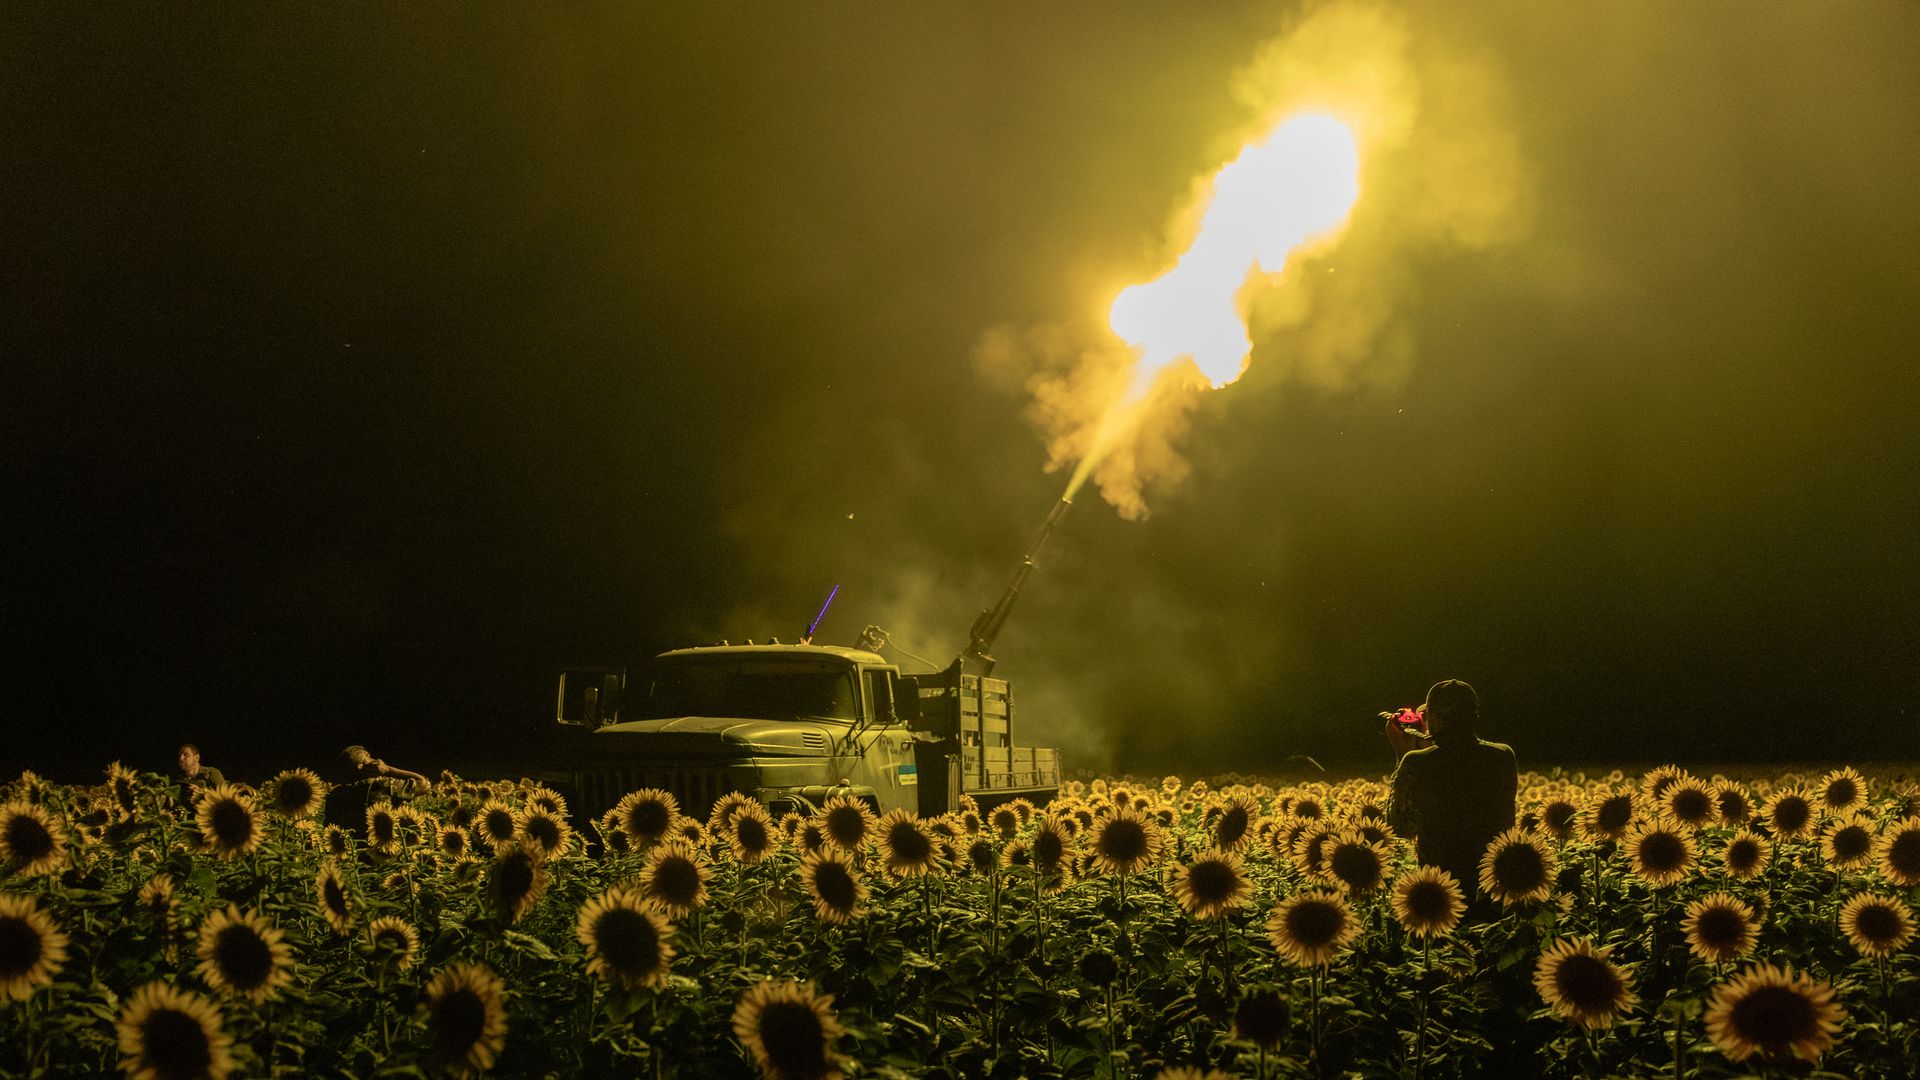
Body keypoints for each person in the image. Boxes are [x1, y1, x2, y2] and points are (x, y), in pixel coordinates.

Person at [1383, 679, 1517, 901]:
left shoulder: (1417, 762)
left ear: (1434, 719)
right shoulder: (1502, 756)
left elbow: (1399, 828)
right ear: (1474, 716)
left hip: (1439, 891)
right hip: (1490, 885)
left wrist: (1401, 756)